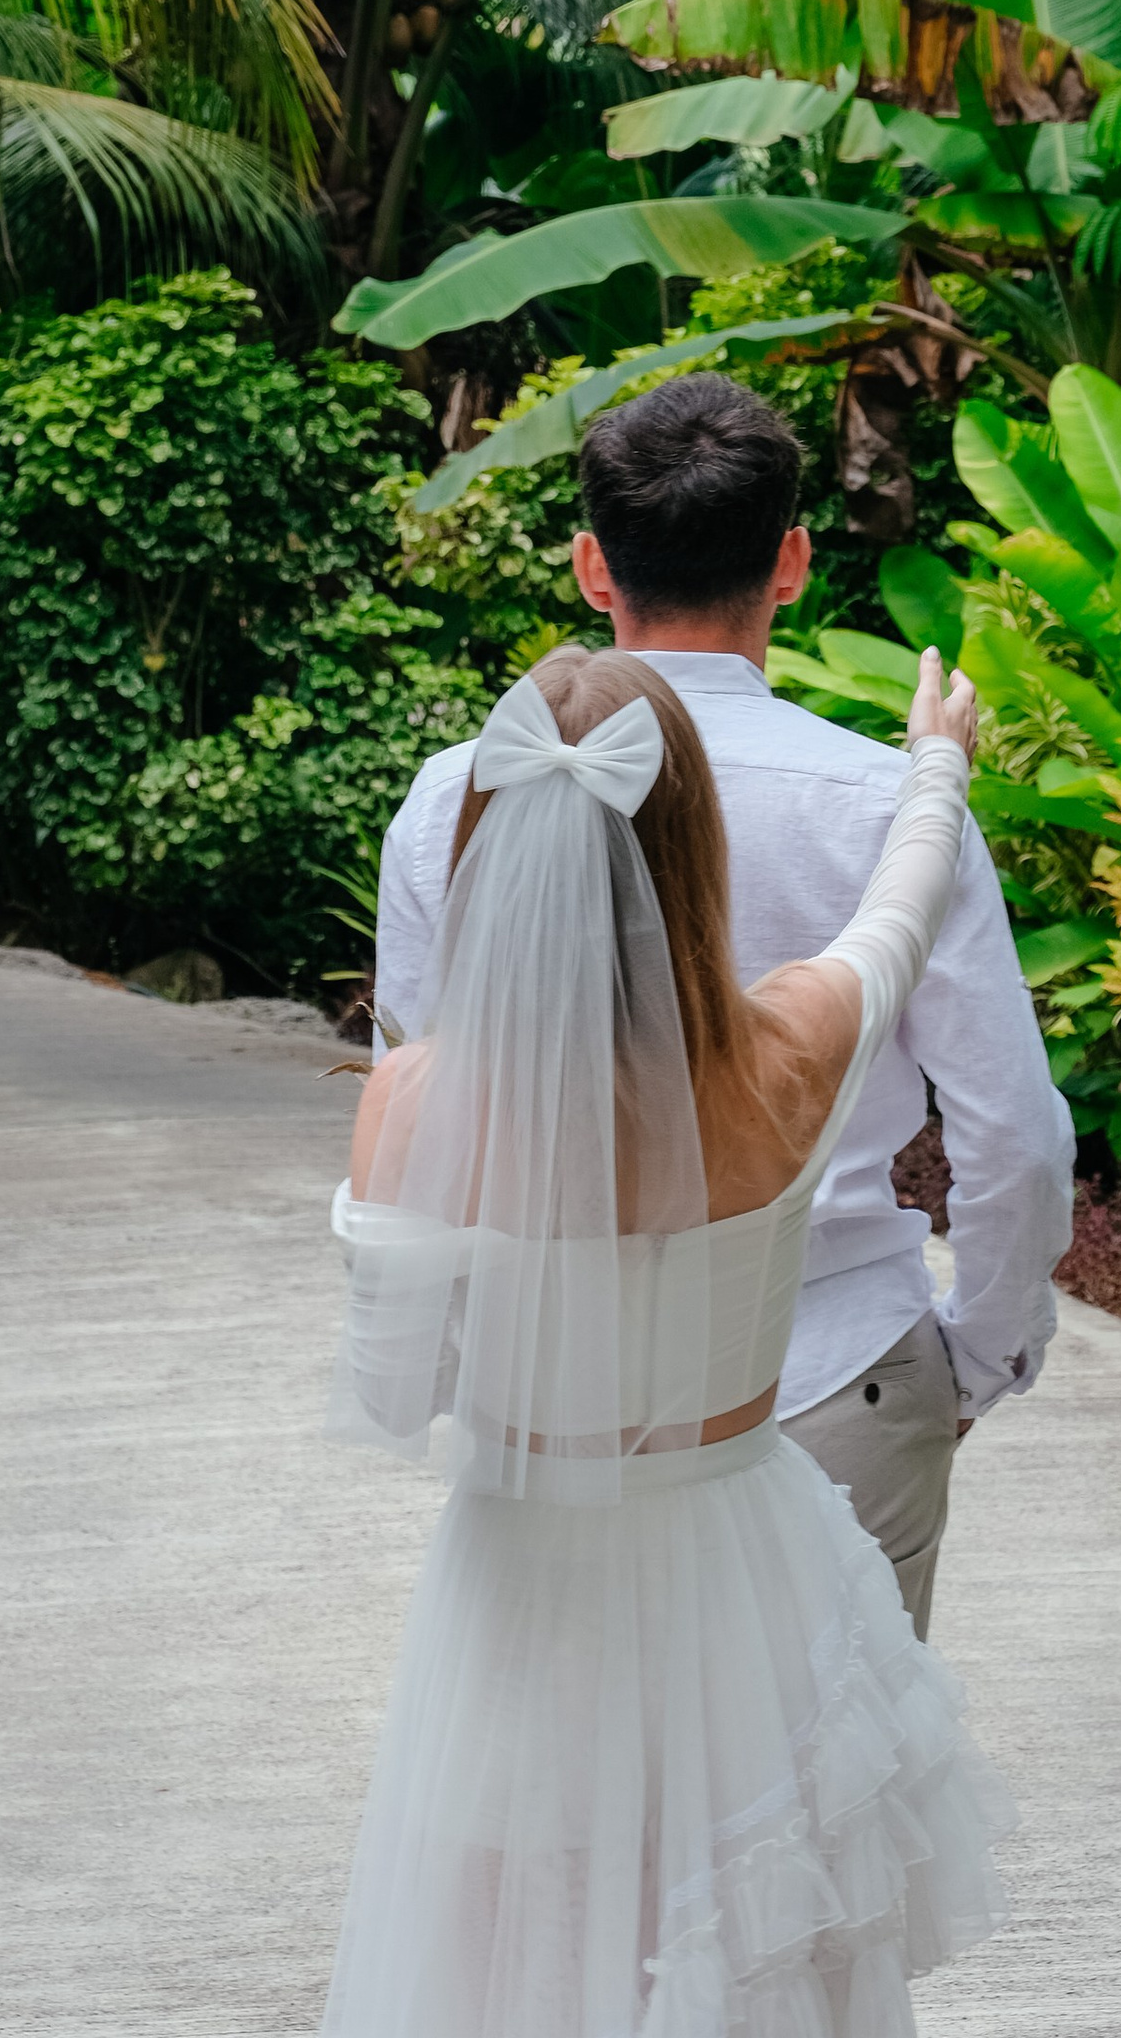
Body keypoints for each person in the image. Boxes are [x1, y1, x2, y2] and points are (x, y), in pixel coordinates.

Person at [323, 637, 1013, 2038]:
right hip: (740, 1570)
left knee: (515, 1971)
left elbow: (398, 1394)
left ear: (485, 853)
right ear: (692, 854)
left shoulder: (410, 1101)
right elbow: (902, 900)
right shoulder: (785, 1050)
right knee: (747, 1972)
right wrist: (935, 760)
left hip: (519, 1586)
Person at [372, 374, 1071, 1633]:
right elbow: (1013, 1131)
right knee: (834, 1803)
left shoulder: (453, 800)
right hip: (836, 1375)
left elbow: (431, 1119)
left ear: (594, 568)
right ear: (792, 561)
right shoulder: (882, 807)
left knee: (584, 1812)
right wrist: (977, 1356)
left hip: (553, 1405)